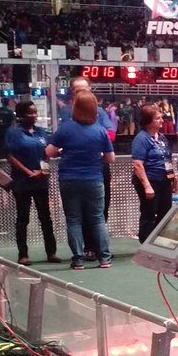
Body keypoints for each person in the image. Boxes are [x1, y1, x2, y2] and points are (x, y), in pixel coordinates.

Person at [47, 91, 116, 270]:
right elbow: (110, 158)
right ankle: (105, 258)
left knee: (73, 220)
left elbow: (49, 152)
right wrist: (97, 156)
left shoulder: (65, 128)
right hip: (93, 178)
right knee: (98, 219)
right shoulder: (100, 130)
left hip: (69, 178)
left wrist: (63, 151)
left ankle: (78, 260)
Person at [64, 77, 116, 261]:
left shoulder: (99, 112)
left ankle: (98, 247)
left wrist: (94, 144)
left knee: (100, 210)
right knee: (78, 213)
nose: (82, 93)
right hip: (74, 171)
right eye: (77, 90)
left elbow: (110, 134)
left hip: (97, 167)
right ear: (72, 93)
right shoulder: (66, 112)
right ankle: (86, 248)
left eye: (85, 89)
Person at [5, 100, 58, 265]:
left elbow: (47, 154)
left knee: (46, 218)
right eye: (30, 113)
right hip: (22, 182)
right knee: (23, 218)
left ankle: (51, 252)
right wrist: (28, 172)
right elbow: (10, 156)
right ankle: (23, 254)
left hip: (40, 182)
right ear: (21, 115)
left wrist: (42, 171)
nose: (34, 115)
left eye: (35, 112)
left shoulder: (41, 132)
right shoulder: (13, 133)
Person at [132, 104, 174, 243]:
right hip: (150, 180)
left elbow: (167, 159)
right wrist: (147, 186)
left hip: (164, 180)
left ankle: (160, 242)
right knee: (149, 212)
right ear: (148, 121)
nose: (161, 120)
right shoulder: (141, 139)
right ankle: (146, 241)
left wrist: (173, 179)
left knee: (165, 212)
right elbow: (138, 164)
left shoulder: (161, 138)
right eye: (157, 118)